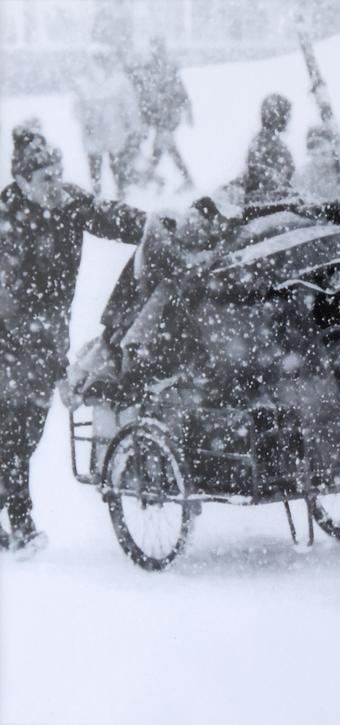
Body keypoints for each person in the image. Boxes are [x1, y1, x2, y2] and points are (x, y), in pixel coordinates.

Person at [0, 127, 149, 552]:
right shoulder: (7, 223)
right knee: (13, 431)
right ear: (23, 181)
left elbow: (111, 217)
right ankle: (24, 526)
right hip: (10, 339)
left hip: (44, 338)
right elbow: (11, 304)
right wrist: (55, 368)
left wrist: (154, 227)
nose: (55, 184)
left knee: (25, 433)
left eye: (57, 173)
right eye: (45, 178)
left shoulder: (66, 202)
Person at [72, 48, 144, 199]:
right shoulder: (82, 82)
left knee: (117, 164)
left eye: (103, 58)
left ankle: (121, 193)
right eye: (97, 58)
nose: (100, 62)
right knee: (95, 165)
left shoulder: (119, 80)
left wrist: (133, 126)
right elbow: (77, 108)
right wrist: (87, 121)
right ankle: (97, 195)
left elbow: (130, 105)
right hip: (93, 132)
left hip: (114, 130)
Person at [133, 37, 194, 191]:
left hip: (166, 116)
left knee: (163, 146)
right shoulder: (150, 69)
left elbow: (180, 92)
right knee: (165, 147)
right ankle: (179, 179)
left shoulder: (167, 69)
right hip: (157, 114)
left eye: (156, 47)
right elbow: (144, 94)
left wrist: (187, 110)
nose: (154, 51)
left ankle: (151, 178)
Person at [244, 93, 295, 202]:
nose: (289, 119)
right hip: (268, 202)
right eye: (287, 114)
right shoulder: (266, 142)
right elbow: (260, 174)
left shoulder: (264, 141)